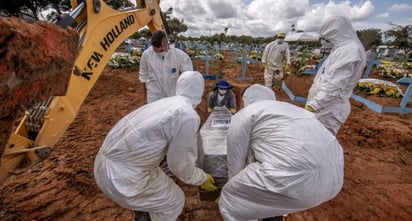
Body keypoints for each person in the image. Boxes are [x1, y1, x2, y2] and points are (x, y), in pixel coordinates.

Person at [94, 71, 218, 221]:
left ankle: (145, 212)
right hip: (124, 178)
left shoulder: (164, 103)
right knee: (175, 200)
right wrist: (201, 178)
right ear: (201, 91)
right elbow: (177, 165)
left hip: (102, 165)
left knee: (158, 185)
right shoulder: (187, 115)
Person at [218, 84, 344, 221]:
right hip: (334, 178)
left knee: (229, 202)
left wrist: (238, 190)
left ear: (244, 101)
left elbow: (235, 162)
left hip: (291, 175)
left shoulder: (246, 114)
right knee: (274, 199)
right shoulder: (295, 111)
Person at [305, 15, 367, 136]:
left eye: (327, 39)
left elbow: (334, 85)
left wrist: (313, 105)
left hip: (327, 109)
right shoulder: (343, 49)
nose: (325, 42)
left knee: (319, 141)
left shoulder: (349, 51)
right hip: (324, 107)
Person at [138, 30, 193, 103]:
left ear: (167, 44)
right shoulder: (146, 55)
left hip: (172, 95)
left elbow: (188, 76)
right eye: (156, 51)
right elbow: (143, 76)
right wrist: (146, 98)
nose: (159, 53)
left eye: (161, 51)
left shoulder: (179, 56)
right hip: (154, 96)